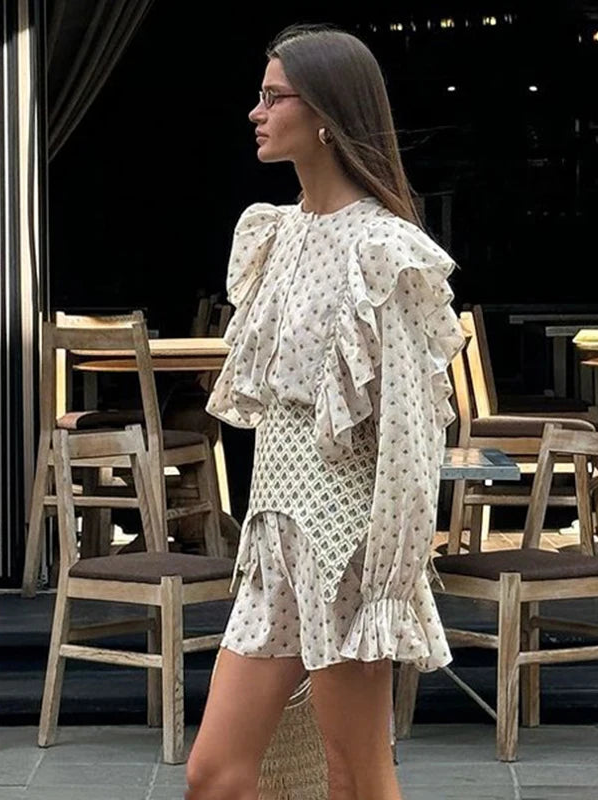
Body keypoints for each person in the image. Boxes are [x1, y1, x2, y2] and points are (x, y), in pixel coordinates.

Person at [185, 23, 464, 800]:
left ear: (327, 116)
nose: (256, 111)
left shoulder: (384, 247)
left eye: (274, 96)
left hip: (345, 546)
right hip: (273, 536)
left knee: (356, 778)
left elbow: (412, 436)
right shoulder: (275, 235)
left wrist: (390, 579)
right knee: (215, 775)